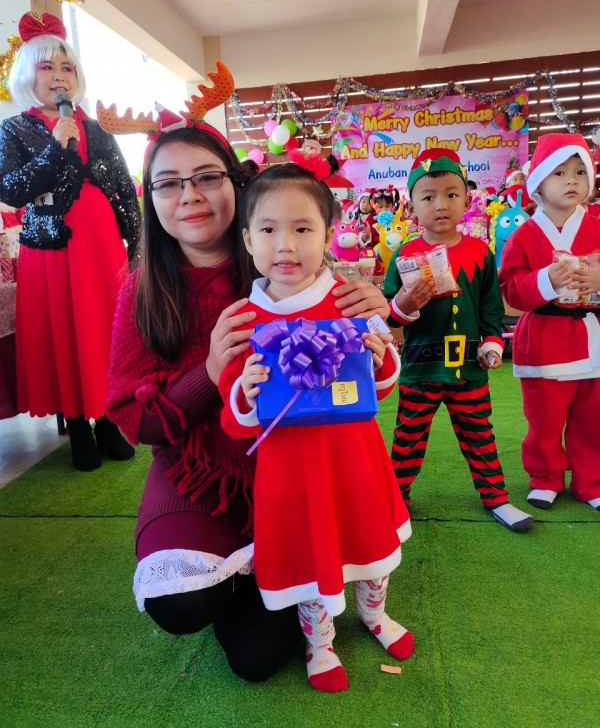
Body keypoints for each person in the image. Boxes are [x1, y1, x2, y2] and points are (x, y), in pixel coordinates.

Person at [103, 73, 394, 683]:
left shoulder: (288, 270)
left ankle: (278, 575)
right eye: (168, 183)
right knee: (181, 604)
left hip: (294, 474)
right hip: (200, 475)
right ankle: (238, 570)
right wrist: (210, 373)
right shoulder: (141, 290)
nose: (190, 195)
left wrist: (372, 319)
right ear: (150, 198)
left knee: (257, 660)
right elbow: (133, 420)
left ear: (237, 187)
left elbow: (357, 372)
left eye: (207, 176)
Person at [218, 162, 413, 693]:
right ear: (247, 240)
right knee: (311, 560)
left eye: (302, 228)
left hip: (356, 462)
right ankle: (320, 643)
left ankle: (374, 614)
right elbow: (234, 416)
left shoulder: (349, 299)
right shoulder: (243, 319)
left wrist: (381, 358)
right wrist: (246, 390)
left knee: (371, 548)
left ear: (328, 236)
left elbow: (382, 386)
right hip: (292, 476)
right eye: (268, 229)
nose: (285, 244)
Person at [0, 12, 140, 470]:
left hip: (101, 245)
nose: (59, 77)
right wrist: (53, 147)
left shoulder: (96, 128)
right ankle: (78, 425)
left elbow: (124, 190)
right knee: (63, 331)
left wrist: (138, 245)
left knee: (106, 328)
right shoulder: (12, 129)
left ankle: (109, 420)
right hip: (50, 248)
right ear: (29, 75)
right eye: (48, 68)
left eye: (67, 68)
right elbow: (12, 190)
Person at [384, 149, 534, 533]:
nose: (441, 205)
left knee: (479, 434)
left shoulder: (480, 252)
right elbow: (386, 315)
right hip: (420, 366)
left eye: (452, 194)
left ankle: (496, 497)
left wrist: (492, 342)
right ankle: (393, 502)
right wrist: (403, 306)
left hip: (468, 366)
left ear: (467, 200)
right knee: (407, 438)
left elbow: (490, 308)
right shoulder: (405, 254)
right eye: (428, 196)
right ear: (412, 205)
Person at [499, 133, 600, 512]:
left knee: (593, 419)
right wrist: (545, 281)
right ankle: (545, 477)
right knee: (544, 420)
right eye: (559, 173)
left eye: (579, 172)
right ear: (538, 183)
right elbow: (511, 291)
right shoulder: (523, 235)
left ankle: (591, 482)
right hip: (544, 342)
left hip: (592, 339)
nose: (571, 180)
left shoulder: (597, 224)